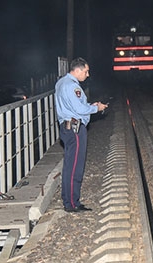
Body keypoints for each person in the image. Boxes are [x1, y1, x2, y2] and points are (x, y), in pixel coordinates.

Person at [55, 57, 108, 212]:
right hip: (75, 129)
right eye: (86, 71)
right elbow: (80, 110)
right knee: (75, 167)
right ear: (77, 70)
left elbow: (75, 106)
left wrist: (89, 106)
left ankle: (69, 200)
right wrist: (96, 108)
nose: (87, 74)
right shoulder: (72, 86)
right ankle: (72, 203)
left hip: (68, 127)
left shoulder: (61, 83)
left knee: (69, 166)